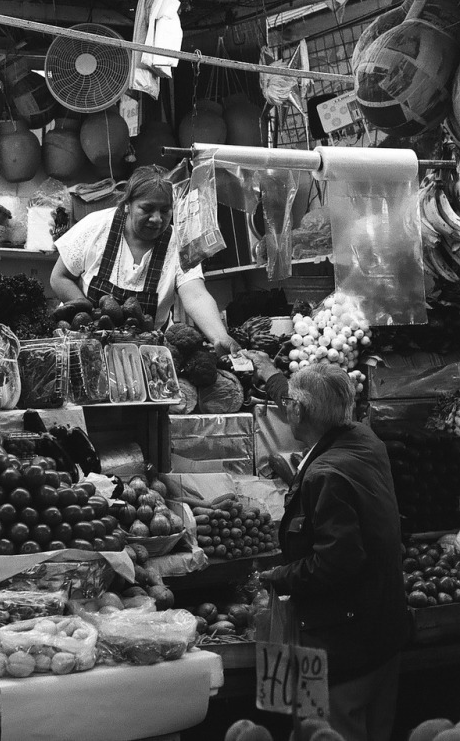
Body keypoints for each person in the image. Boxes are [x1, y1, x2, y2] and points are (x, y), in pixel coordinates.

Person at [243, 351, 409, 741]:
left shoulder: (325, 473)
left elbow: (337, 562)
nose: (286, 408)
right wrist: (271, 376)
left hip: (342, 645)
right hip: (382, 632)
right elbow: (307, 397)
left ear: (299, 410)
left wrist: (279, 576)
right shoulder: (364, 439)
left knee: (326, 733)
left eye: (289, 404)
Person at [50, 164, 238, 356]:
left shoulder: (179, 244)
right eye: (147, 209)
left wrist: (219, 336)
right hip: (85, 348)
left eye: (165, 211)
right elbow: (59, 277)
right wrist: (91, 318)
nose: (157, 219)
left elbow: (196, 295)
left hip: (148, 356)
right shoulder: (97, 226)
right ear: (127, 205)